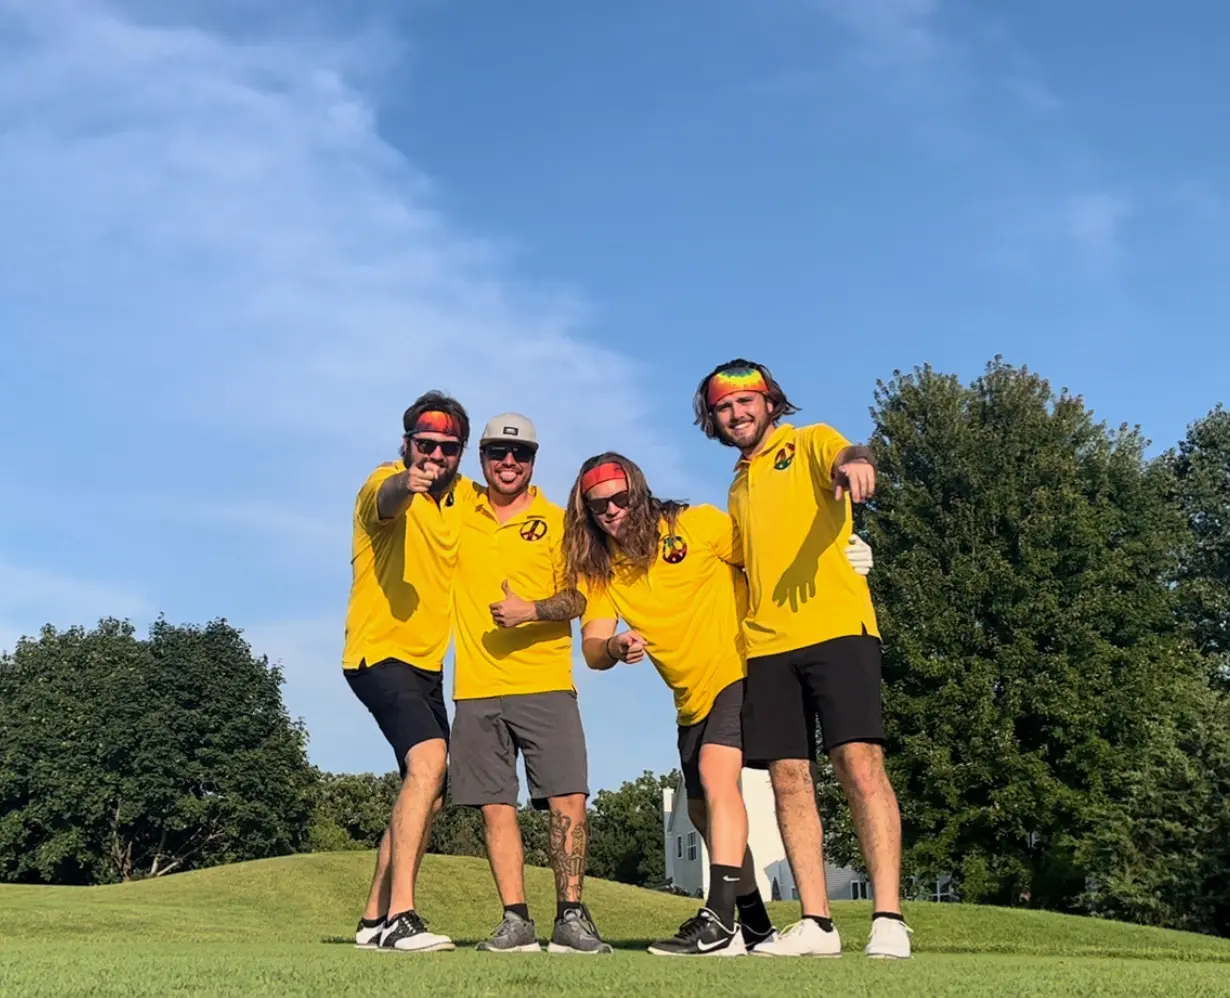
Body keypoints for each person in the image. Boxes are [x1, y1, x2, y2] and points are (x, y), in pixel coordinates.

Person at [562, 452, 874, 957]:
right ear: (587, 513)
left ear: (638, 492)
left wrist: (839, 549)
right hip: (690, 699)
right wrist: (616, 646)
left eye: (621, 498)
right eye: (599, 506)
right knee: (701, 814)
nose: (612, 510)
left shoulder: (695, 524)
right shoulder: (601, 572)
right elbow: (594, 648)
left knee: (716, 773)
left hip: (740, 668)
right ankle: (756, 926)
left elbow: (768, 553)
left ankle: (718, 919)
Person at [691, 359, 912, 960]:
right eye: (723, 407)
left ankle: (888, 918)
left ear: (769, 402)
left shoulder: (808, 441)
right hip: (765, 645)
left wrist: (858, 464)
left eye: (746, 401)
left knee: (859, 763)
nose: (736, 413)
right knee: (789, 779)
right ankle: (816, 922)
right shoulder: (736, 487)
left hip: (837, 629)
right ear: (713, 419)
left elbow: (848, 455)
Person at [447, 413, 612, 955]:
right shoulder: (459, 508)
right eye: (497, 452)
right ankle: (515, 920)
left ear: (534, 461)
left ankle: (571, 917)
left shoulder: (558, 522)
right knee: (496, 806)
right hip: (476, 687)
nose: (509, 462)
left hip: (545, 682)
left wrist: (532, 610)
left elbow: (581, 596)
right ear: (482, 458)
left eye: (520, 454)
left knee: (568, 800)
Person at [343, 392, 471, 953]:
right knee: (429, 761)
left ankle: (372, 918)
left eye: (448, 448)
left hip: (427, 665)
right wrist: (407, 482)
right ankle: (402, 917)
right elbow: (388, 499)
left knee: (430, 791)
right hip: (379, 653)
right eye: (426, 444)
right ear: (406, 444)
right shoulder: (384, 481)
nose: (435, 456)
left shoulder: (462, 498)